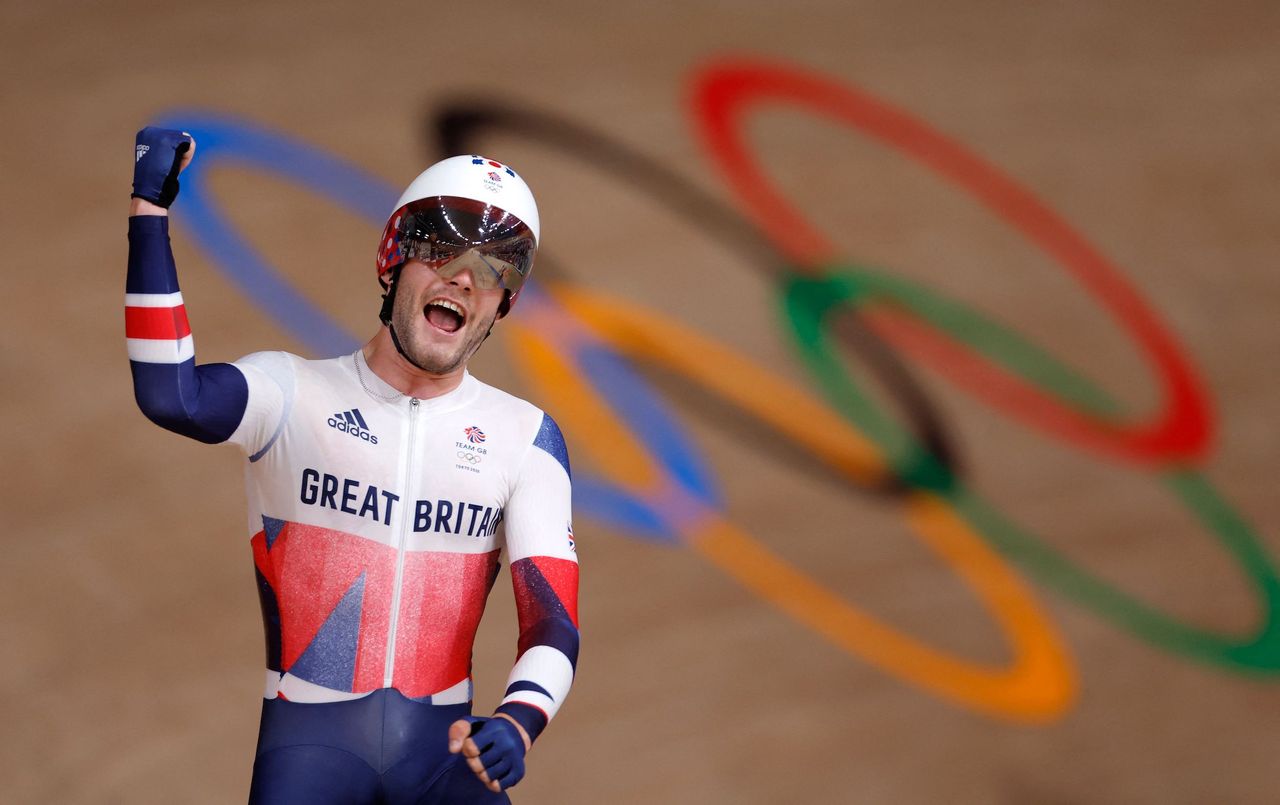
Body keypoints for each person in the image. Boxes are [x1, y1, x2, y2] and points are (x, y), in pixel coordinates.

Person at [125, 126, 579, 803]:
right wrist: (148, 215)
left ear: (502, 305)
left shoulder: (526, 437)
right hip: (310, 758)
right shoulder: (289, 394)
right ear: (392, 260)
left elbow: (553, 622)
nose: (463, 276)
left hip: (445, 763)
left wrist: (521, 717)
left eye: (494, 269)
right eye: (441, 248)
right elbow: (172, 393)